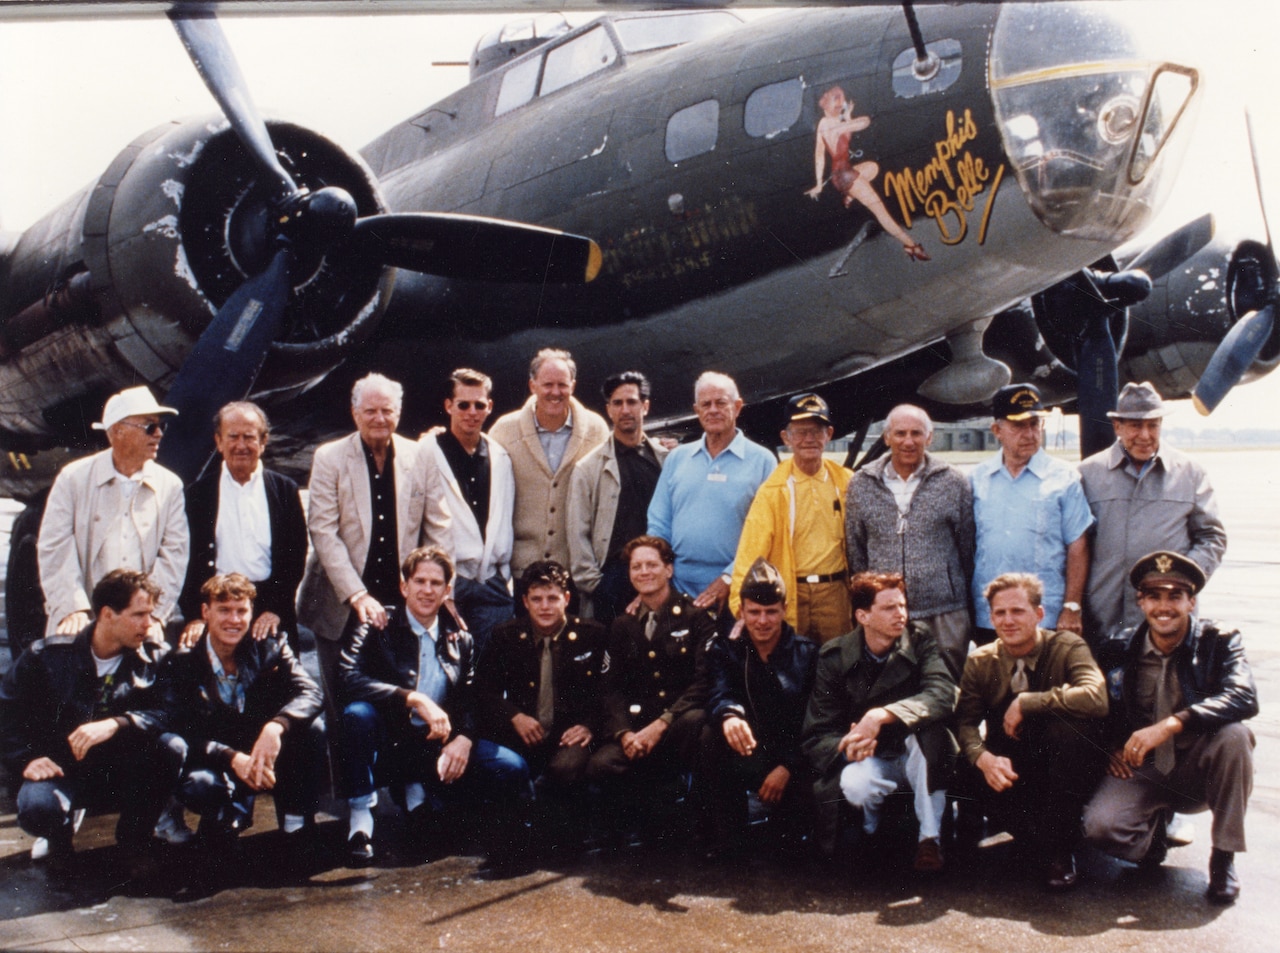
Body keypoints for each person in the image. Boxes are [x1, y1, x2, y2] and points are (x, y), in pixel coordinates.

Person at [1083, 552, 1257, 904]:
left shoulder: (1219, 640)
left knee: (1236, 736)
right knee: (1100, 828)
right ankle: (1153, 836)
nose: (1165, 606)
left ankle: (1223, 858)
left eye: (1175, 596)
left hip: (1198, 765)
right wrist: (1108, 747)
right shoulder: (1118, 647)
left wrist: (1173, 724)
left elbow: (1244, 696)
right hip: (1144, 766)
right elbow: (1094, 706)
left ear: (1191, 601)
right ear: (1141, 601)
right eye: (1155, 596)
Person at [338, 546, 529, 866]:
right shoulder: (377, 624)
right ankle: (361, 821)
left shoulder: (460, 638)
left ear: (447, 590)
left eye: (436, 583)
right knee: (356, 715)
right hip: (390, 745)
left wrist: (465, 739)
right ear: (404, 586)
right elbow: (346, 677)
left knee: (511, 768)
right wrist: (411, 697)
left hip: (431, 745)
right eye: (420, 581)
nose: (427, 590)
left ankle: (432, 797)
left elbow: (472, 695)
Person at [297, 373, 452, 747]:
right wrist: (357, 595)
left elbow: (439, 525)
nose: (379, 418)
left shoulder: (421, 457)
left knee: (402, 695)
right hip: (341, 600)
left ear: (398, 413)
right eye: (370, 411)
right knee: (343, 704)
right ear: (354, 413)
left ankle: (402, 786)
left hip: (404, 601)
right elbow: (323, 532)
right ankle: (350, 794)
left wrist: (441, 590)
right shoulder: (329, 457)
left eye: (387, 410)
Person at [0, 570, 178, 882]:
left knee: (171, 748)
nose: (149, 624)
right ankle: (59, 839)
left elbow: (173, 712)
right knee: (38, 807)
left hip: (120, 772)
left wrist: (117, 724)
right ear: (108, 614)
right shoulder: (46, 656)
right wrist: (25, 759)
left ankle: (134, 841)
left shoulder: (154, 659)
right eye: (139, 614)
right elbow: (6, 711)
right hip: (63, 770)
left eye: (150, 614)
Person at [955, 573, 1108, 890]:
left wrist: (1029, 702)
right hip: (1011, 762)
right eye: (999, 613)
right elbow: (966, 724)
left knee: (1071, 732)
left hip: (1060, 763)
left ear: (1039, 614)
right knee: (962, 763)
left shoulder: (1067, 647)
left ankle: (1061, 849)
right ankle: (1030, 835)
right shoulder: (981, 661)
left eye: (1018, 611)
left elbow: (1096, 697)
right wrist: (984, 759)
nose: (1008, 621)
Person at [153, 573, 325, 848]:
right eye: (224, 610)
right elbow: (178, 727)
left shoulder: (271, 644)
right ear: (205, 612)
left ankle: (296, 821)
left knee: (313, 728)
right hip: (217, 756)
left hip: (261, 749)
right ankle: (225, 812)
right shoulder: (180, 661)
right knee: (200, 786)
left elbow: (311, 692)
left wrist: (276, 726)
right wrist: (231, 757)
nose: (234, 620)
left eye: (241, 611)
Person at [801, 572, 957, 871]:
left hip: (915, 754)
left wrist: (880, 716)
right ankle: (871, 829)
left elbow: (942, 693)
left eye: (902, 606)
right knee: (855, 784)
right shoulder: (834, 656)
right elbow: (817, 732)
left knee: (931, 733)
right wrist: (848, 746)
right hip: (871, 756)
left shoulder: (919, 639)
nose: (901, 615)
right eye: (889, 608)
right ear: (863, 615)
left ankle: (929, 839)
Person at [586, 536, 715, 845]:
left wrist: (661, 725)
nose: (644, 572)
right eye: (636, 566)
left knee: (698, 722)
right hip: (636, 731)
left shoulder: (696, 618)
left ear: (669, 569)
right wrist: (624, 734)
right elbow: (610, 688)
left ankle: (692, 816)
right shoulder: (622, 626)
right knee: (600, 766)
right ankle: (642, 816)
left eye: (652, 565)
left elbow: (703, 683)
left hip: (675, 729)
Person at [1079, 381, 1227, 642]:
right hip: (1103, 617)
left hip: (1169, 621)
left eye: (1153, 425)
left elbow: (1212, 537)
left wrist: (1184, 578)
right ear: (1117, 426)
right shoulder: (1087, 474)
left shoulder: (1190, 473)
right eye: (1136, 425)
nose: (1145, 435)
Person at [37, 385, 188, 640]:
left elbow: (175, 555)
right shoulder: (73, 478)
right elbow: (54, 546)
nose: (159, 434)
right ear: (117, 431)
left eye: (161, 426)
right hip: (83, 619)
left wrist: (152, 615)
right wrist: (72, 609)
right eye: (150, 426)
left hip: (144, 622)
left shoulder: (170, 486)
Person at [475, 561, 608, 844]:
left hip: (567, 736)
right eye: (536, 599)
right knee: (503, 771)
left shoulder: (591, 635)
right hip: (524, 731)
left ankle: (555, 823)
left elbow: (607, 691)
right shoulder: (505, 636)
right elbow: (484, 690)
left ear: (567, 599)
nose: (544, 606)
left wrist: (588, 726)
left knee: (565, 771)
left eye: (552, 598)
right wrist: (514, 716)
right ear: (524, 601)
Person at [845, 404, 975, 679]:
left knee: (947, 686)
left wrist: (950, 586)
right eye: (900, 433)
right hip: (884, 610)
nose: (908, 441)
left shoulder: (953, 481)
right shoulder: (861, 483)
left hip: (944, 611)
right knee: (888, 687)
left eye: (916, 433)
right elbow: (856, 548)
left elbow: (967, 546)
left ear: (929, 438)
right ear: (886, 438)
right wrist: (872, 600)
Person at [700, 558, 818, 858]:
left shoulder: (807, 654)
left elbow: (817, 721)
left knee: (790, 851)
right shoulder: (725, 650)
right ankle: (729, 836)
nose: (762, 621)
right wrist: (729, 714)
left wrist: (788, 766)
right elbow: (718, 690)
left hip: (795, 761)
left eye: (771, 612)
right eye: (754, 612)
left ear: (784, 610)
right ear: (741, 611)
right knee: (710, 736)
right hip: (752, 753)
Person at [178, 401, 308, 654]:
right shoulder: (198, 494)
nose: (240, 445)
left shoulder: (285, 490)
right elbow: (187, 559)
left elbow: (296, 557)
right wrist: (195, 615)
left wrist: (276, 609)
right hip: (217, 608)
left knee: (277, 685)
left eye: (249, 437)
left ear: (263, 441)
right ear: (218, 441)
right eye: (232, 437)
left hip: (271, 608)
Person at [970, 383, 1093, 643]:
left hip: (1044, 615)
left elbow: (1078, 545)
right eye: (1018, 425)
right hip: (990, 616)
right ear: (997, 430)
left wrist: (1071, 607)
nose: (1029, 434)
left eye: (1035, 424)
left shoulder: (1064, 478)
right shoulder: (976, 480)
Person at [729, 393, 852, 642]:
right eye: (800, 432)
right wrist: (738, 604)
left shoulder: (847, 483)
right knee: (793, 668)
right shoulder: (773, 490)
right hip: (791, 592)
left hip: (835, 593)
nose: (809, 439)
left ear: (829, 434)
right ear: (786, 437)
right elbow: (751, 550)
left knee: (839, 665)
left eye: (817, 431)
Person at [648, 372, 775, 611]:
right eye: (706, 404)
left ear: (737, 407)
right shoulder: (677, 458)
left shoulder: (763, 461)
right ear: (696, 410)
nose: (713, 410)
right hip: (677, 586)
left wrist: (729, 577)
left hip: (738, 587)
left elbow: (767, 532)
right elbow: (658, 523)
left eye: (721, 403)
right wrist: (659, 576)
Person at [418, 368, 516, 655]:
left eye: (479, 405)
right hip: (449, 582)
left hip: (492, 585)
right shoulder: (426, 453)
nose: (471, 412)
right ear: (449, 406)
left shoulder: (500, 456)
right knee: (449, 668)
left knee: (492, 670)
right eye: (463, 405)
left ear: (490, 407)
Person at [488, 348, 609, 578]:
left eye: (562, 385)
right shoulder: (504, 431)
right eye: (547, 385)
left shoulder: (597, 430)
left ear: (573, 386)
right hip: (519, 573)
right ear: (532, 386)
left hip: (574, 572)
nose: (556, 392)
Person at [568, 371, 669, 624]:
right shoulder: (588, 468)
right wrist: (597, 587)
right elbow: (577, 533)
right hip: (612, 584)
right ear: (608, 410)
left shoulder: (666, 461)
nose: (625, 410)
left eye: (632, 402)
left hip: (659, 579)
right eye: (617, 403)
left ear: (645, 406)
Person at [804, 85, 928, 261]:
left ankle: (850, 196)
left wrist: (818, 184)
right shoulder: (834, 125)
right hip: (847, 176)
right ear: (826, 104)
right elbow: (865, 122)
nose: (842, 104)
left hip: (840, 175)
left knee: (872, 168)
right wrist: (849, 119)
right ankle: (910, 245)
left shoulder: (824, 124)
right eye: (838, 101)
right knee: (881, 212)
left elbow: (819, 155)